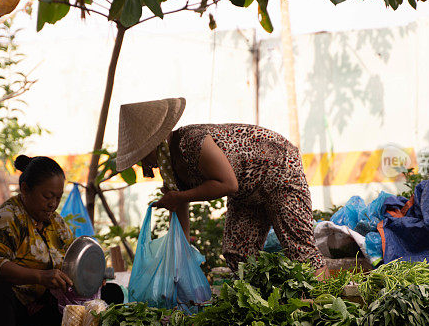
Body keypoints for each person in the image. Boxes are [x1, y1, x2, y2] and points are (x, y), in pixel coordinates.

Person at [116, 97, 327, 278]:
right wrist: (179, 259)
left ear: (154, 143)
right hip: (248, 191)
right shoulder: (169, 166)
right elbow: (179, 209)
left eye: (143, 155)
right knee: (238, 252)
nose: (144, 164)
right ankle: (263, 308)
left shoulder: (192, 141)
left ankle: (323, 308)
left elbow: (228, 184)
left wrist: (180, 197)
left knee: (299, 249)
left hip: (279, 170)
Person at [0, 155, 74, 326]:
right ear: (25, 189)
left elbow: (72, 258)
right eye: (47, 196)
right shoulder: (5, 219)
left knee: (108, 294)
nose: (53, 204)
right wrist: (40, 276)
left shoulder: (56, 223)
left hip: (37, 306)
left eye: (58, 197)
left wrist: (89, 274)